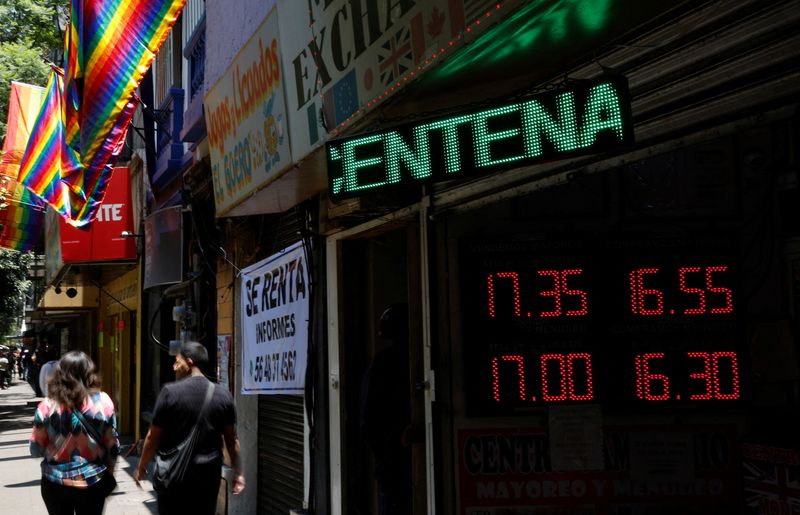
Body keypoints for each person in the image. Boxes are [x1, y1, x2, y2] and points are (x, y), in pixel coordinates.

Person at [133, 341, 245, 515]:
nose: (174, 367)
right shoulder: (223, 395)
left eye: (177, 362)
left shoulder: (170, 392)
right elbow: (232, 440)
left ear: (189, 362)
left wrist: (141, 466)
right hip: (208, 478)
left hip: (174, 476)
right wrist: (239, 472)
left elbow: (152, 437)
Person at [29, 351, 119, 515]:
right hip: (93, 480)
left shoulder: (46, 406)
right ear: (89, 373)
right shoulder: (103, 401)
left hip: (55, 482)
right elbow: (113, 446)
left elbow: (35, 449)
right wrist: (109, 473)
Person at [360, 303, 419, 515]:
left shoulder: (387, 362)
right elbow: (369, 421)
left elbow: (368, 421)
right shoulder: (386, 364)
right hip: (395, 470)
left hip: (394, 470)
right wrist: (395, 443)